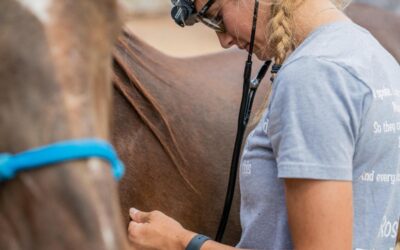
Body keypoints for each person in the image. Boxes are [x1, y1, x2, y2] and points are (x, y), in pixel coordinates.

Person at [127, 0, 400, 249]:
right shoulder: (375, 58)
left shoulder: (313, 77)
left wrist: (181, 241)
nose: (222, 40)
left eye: (215, 17)